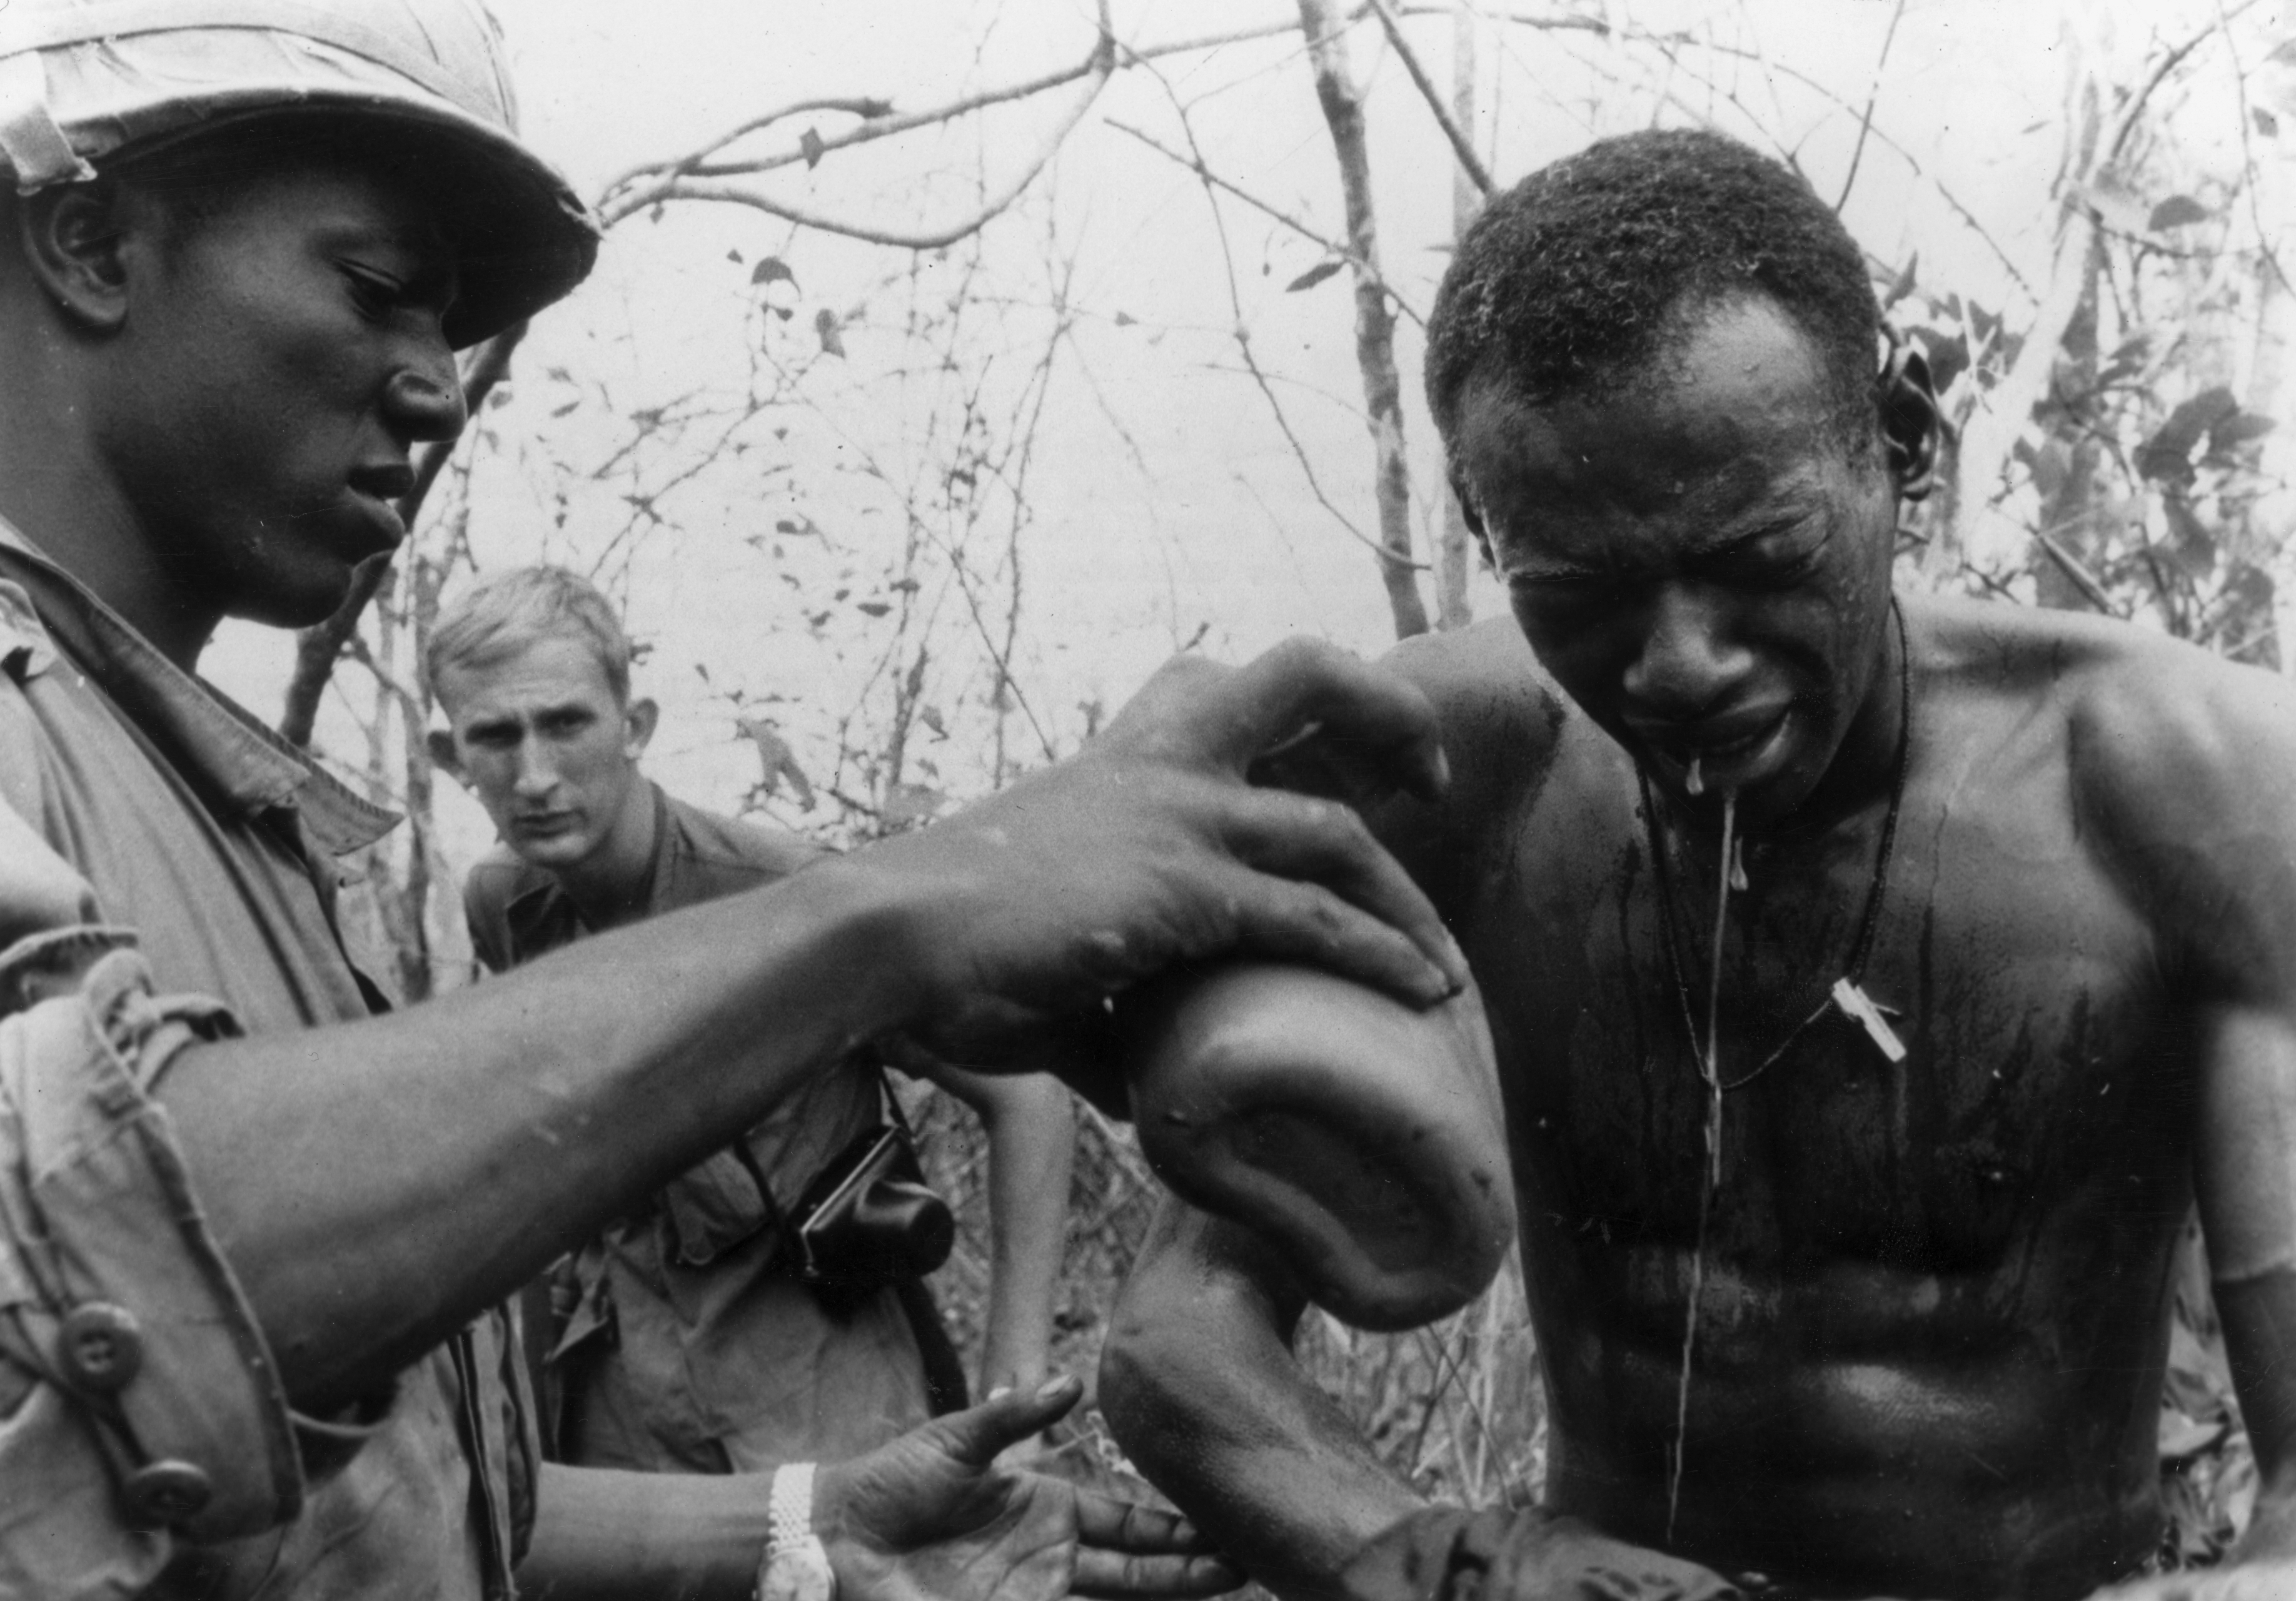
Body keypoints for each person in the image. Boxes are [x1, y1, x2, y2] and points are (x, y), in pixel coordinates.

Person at [0, 4, 1470, 1598]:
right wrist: (914, 905)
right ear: (91, 243)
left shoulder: (219, 812)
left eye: (454, 325)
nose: (434, 386)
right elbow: (137, 1265)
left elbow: (338, 1487)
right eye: (374, 289)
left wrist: (801, 1526)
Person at [1100, 128, 2296, 1601]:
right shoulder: (1458, 776)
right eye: (1580, 592)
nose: (1679, 665)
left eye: (1755, 555)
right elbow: (1178, 1335)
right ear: (1490, 533)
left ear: (1903, 442)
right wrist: (1444, 1573)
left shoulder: (2191, 787)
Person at [428, 565, 1076, 1470]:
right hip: (622, 1386)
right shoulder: (504, 903)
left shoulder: (788, 904)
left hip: (816, 1395)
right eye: (494, 736)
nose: (534, 776)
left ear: (634, 727)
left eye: (566, 723)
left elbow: (1029, 1095)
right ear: (450, 758)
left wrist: (1018, 1412)